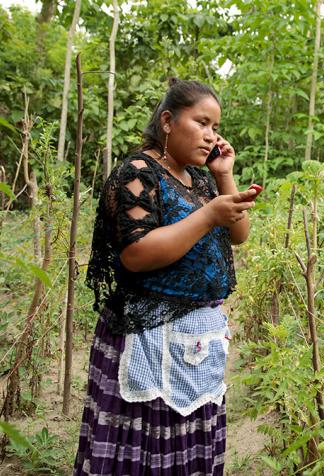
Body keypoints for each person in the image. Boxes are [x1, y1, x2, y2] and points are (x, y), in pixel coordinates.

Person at [74, 79, 256, 475]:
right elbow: (136, 255)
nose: (210, 136)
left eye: (215, 127)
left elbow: (239, 235)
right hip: (147, 335)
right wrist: (207, 216)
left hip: (197, 339)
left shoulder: (202, 177)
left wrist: (225, 175)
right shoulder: (138, 173)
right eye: (201, 122)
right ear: (169, 121)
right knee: (146, 447)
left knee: (188, 444)